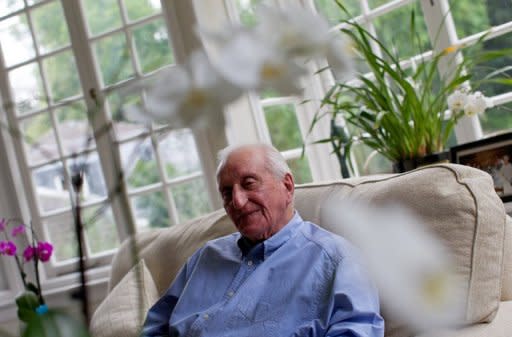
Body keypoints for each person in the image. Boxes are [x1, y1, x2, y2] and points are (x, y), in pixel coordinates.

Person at [141, 143, 384, 337]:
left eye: (249, 184)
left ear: (287, 186)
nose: (237, 201)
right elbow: (154, 326)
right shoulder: (207, 256)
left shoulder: (338, 260)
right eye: (227, 192)